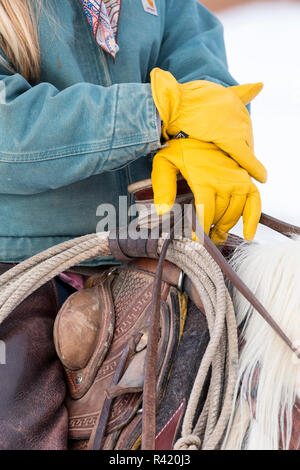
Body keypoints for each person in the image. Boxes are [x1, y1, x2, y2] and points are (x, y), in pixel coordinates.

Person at [0, 0, 266, 450]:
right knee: (19, 426)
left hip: (157, 238)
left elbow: (200, 68)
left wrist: (205, 141)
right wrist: (154, 113)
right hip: (22, 257)